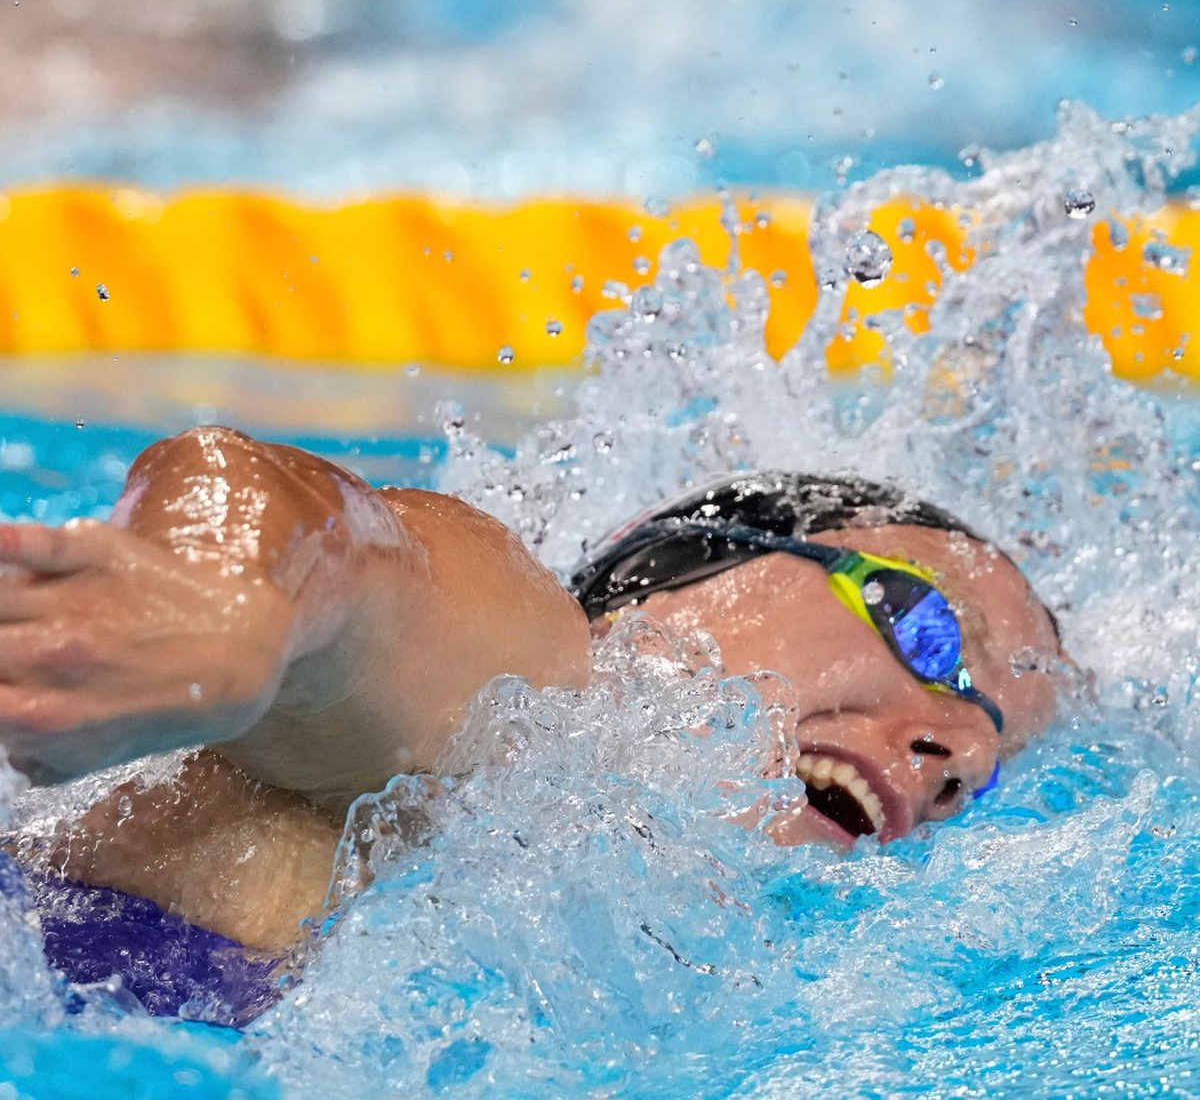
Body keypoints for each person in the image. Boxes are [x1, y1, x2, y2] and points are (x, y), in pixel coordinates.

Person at [0, 426, 1064, 1024]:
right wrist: (210, 610)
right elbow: (301, 518)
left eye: (992, 750)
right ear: (674, 568)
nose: (960, 751)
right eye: (927, 628)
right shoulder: (539, 699)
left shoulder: (654, 972)